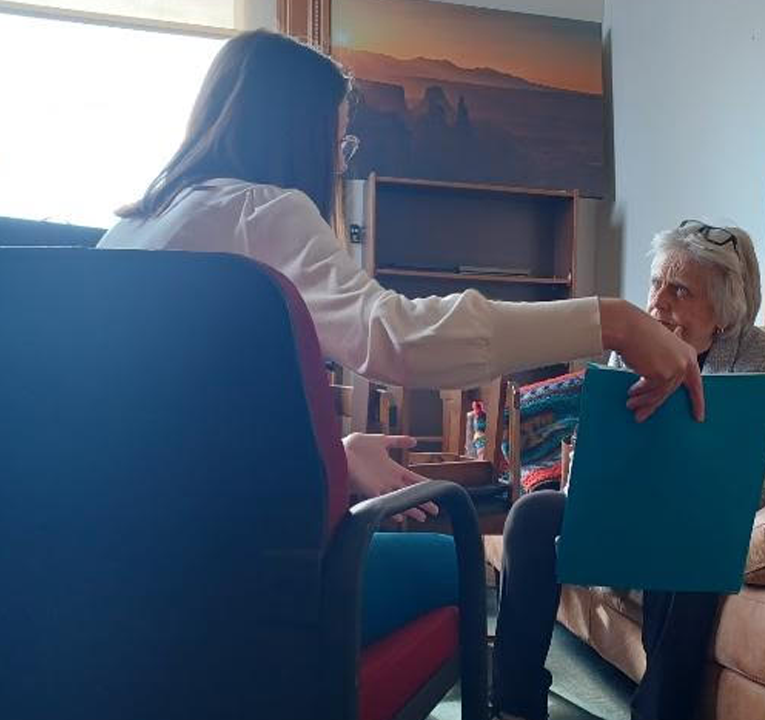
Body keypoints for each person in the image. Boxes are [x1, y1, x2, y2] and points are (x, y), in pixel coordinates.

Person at [96, 29, 703, 650]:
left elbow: (190, 432)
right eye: (338, 144)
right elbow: (399, 337)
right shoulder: (263, 212)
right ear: (297, 135)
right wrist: (612, 319)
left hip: (112, 571)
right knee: (451, 562)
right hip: (229, 584)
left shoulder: (132, 230)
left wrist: (335, 455)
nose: (339, 165)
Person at [491, 220, 765, 720]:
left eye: (680, 291)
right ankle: (515, 702)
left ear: (724, 310)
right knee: (532, 517)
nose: (657, 303)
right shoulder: (635, 345)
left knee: (684, 543)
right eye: (657, 283)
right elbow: (600, 442)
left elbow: (735, 462)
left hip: (717, 511)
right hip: (635, 497)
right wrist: (587, 489)